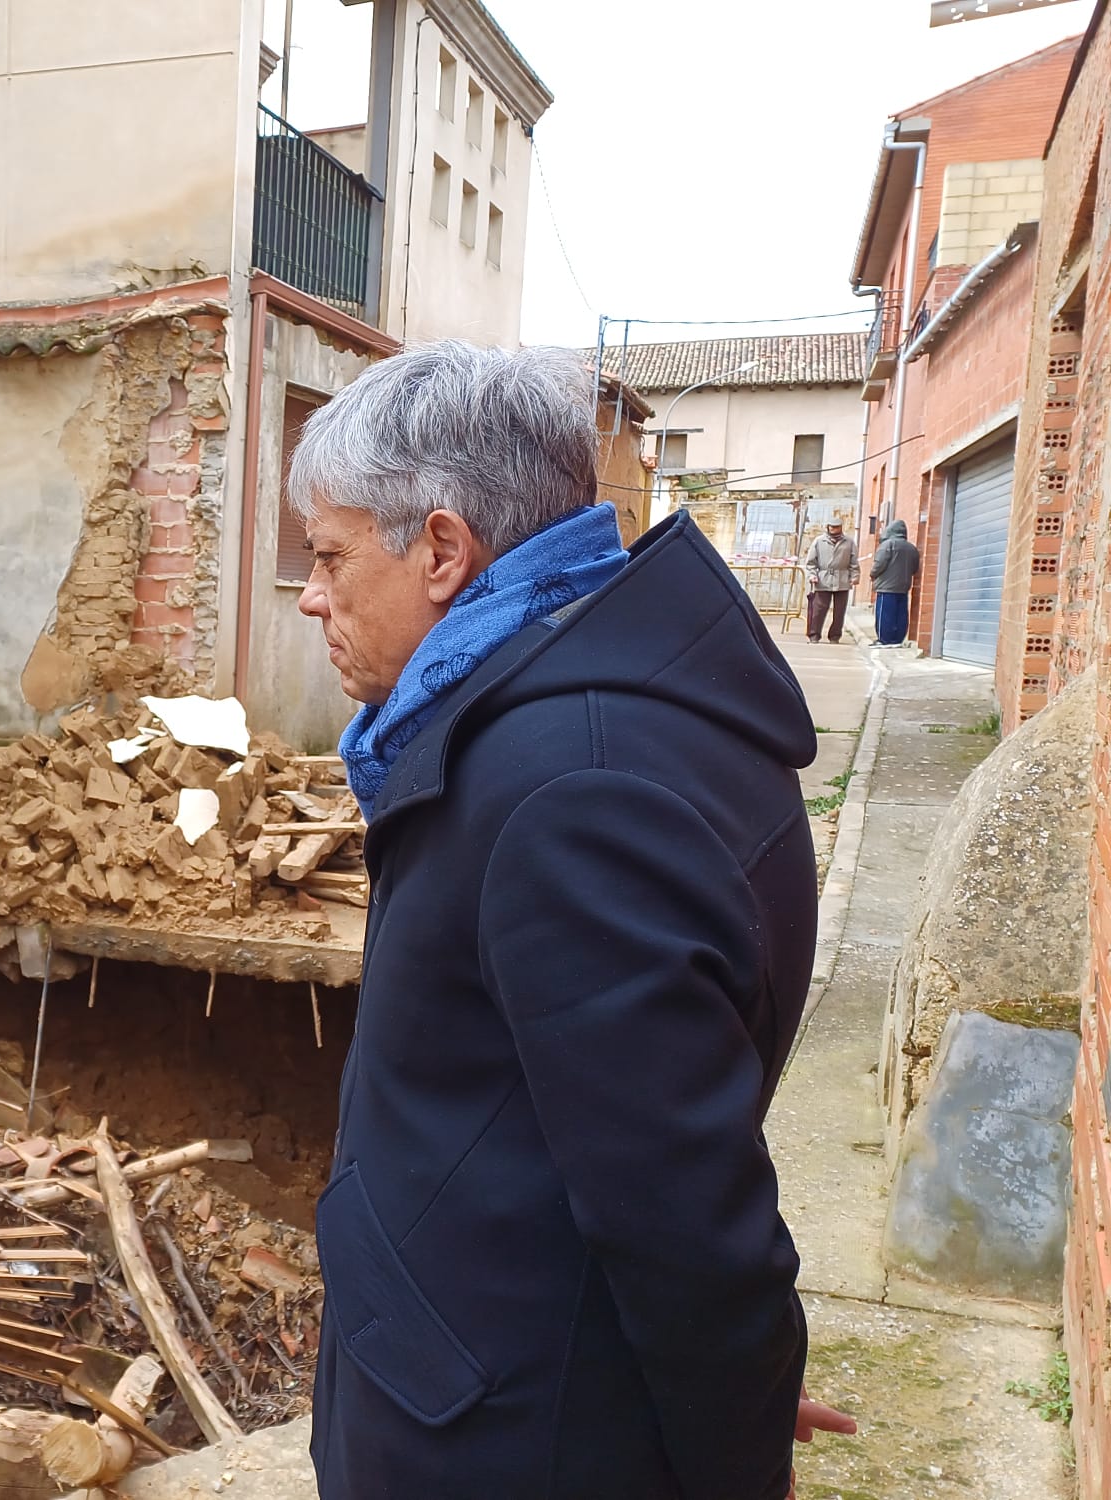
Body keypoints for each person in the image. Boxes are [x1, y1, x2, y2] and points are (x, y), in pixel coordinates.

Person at [289, 343, 855, 1499]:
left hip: (498, 1438)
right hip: (486, 1368)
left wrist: (720, 1427)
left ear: (442, 551)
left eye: (329, 557)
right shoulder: (552, 711)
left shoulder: (565, 786)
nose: (310, 596)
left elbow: (683, 1210)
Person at [802, 519, 857, 643]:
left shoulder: (849, 542)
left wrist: (854, 577)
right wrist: (812, 575)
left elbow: (854, 562)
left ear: (841, 528)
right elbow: (811, 563)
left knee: (839, 611)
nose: (833, 529)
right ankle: (814, 635)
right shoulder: (819, 541)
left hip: (842, 579)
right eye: (831, 527)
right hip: (823, 579)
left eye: (836, 527)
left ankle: (835, 636)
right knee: (819, 609)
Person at [870, 519, 920, 647]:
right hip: (903, 587)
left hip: (886, 587)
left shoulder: (887, 545)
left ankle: (884, 639)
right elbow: (915, 568)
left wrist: (873, 574)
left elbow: (879, 564)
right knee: (901, 614)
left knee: (884, 614)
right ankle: (898, 639)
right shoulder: (912, 548)